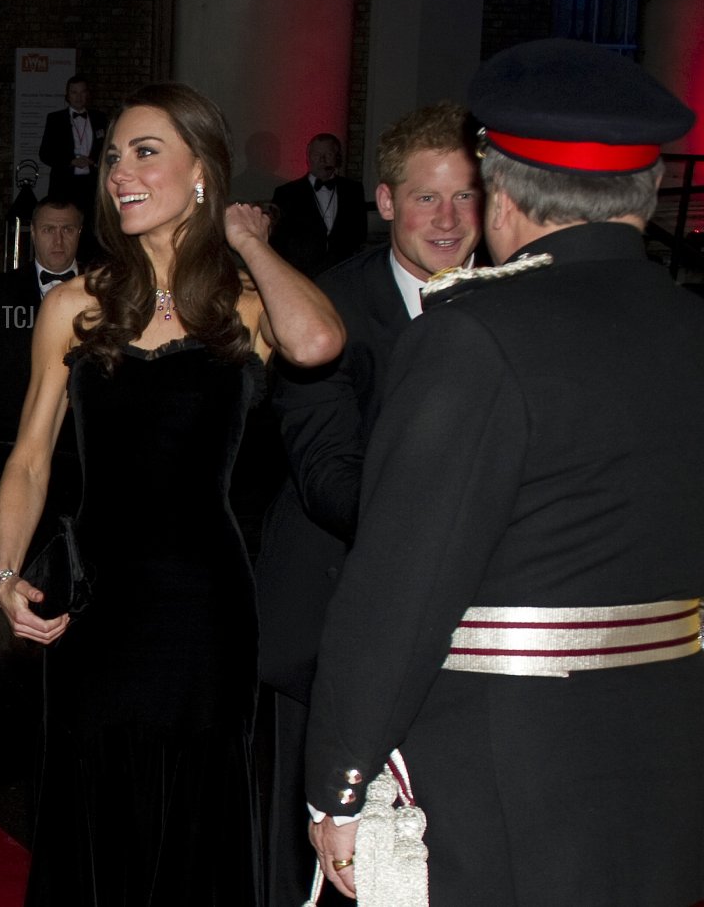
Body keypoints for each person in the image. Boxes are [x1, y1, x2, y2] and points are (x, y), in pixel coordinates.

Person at [306, 39, 704, 907]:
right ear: (647, 189)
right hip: (670, 755)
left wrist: (339, 782)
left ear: (504, 190)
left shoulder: (474, 337)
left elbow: (399, 588)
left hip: (503, 776)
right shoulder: (689, 329)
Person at [0, 81, 345, 905]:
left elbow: (320, 340)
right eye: (114, 156)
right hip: (98, 599)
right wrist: (5, 575)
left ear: (201, 173)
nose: (121, 171)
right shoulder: (77, 305)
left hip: (205, 601)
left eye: (146, 151)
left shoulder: (247, 309)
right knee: (95, 799)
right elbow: (30, 459)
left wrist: (250, 243)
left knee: (198, 810)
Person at [256, 101, 482, 907]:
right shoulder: (328, 308)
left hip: (465, 645)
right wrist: (466, 530)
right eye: (427, 197)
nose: (449, 220)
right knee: (313, 865)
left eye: (466, 198)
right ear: (386, 202)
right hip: (324, 627)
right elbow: (327, 477)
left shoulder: (508, 301)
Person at [0, 197, 83, 436]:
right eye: (49, 230)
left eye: (66, 229)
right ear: (34, 233)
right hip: (15, 429)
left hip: (84, 433)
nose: (58, 240)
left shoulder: (104, 292)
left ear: (79, 232)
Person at [270, 133, 366, 277]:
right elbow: (278, 240)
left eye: (328, 154)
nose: (322, 160)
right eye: (316, 154)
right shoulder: (286, 193)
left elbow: (359, 232)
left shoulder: (353, 190)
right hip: (301, 275)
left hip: (343, 273)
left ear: (337, 157)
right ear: (308, 157)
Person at [38, 75, 108, 258]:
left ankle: (90, 268)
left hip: (91, 184)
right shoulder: (55, 119)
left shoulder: (100, 118)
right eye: (74, 92)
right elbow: (45, 153)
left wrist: (94, 161)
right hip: (65, 184)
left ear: (88, 95)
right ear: (67, 95)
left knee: (91, 230)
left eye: (82, 92)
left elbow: (109, 150)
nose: (78, 97)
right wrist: (70, 160)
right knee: (64, 224)